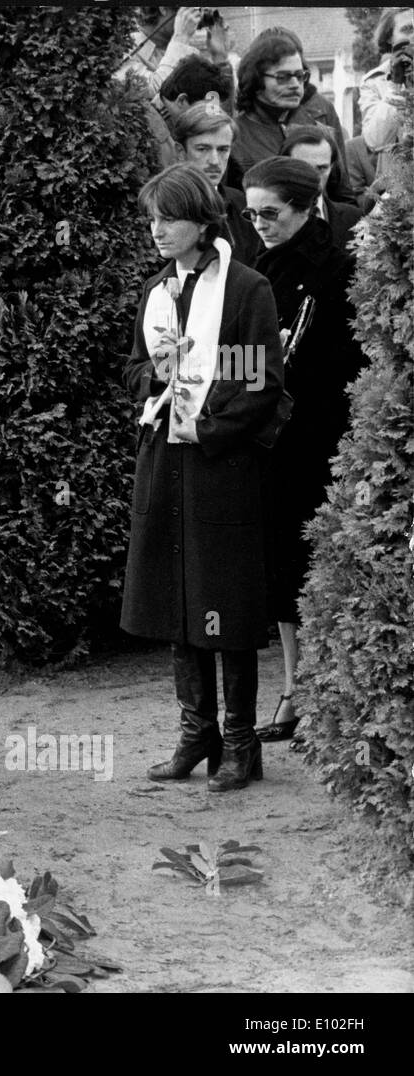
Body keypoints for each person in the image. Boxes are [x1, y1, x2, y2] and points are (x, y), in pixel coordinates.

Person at [121, 163, 286, 793]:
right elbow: (134, 371)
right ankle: (198, 733)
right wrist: (156, 378)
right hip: (164, 457)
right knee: (177, 595)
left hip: (220, 462)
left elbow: (258, 381)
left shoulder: (246, 289)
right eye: (152, 220)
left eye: (169, 218)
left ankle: (241, 742)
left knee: (225, 598)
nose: (158, 230)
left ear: (201, 219)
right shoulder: (158, 290)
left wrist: (207, 425)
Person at [243, 156, 368, 744]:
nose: (259, 222)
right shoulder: (260, 264)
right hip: (276, 436)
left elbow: (345, 361)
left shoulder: (338, 268)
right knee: (283, 564)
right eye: (251, 213)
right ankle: (295, 688)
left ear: (304, 207)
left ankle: (328, 690)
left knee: (323, 563)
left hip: (323, 433)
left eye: (270, 212)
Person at [229, 29, 352, 199]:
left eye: (299, 76)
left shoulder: (317, 126)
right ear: (256, 80)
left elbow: (342, 195)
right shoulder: (234, 136)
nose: (295, 84)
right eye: (282, 77)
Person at [172, 103, 262, 265]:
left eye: (222, 150)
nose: (214, 161)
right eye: (202, 149)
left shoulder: (242, 203)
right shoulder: (162, 206)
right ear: (180, 152)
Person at [279, 129, 364, 249]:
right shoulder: (264, 219)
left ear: (332, 167)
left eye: (321, 168)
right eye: (303, 167)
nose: (312, 176)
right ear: (284, 166)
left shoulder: (353, 219)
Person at [359, 7, 414, 177]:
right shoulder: (375, 80)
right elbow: (375, 141)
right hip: (398, 184)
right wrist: (395, 85)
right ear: (390, 37)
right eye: (407, 29)